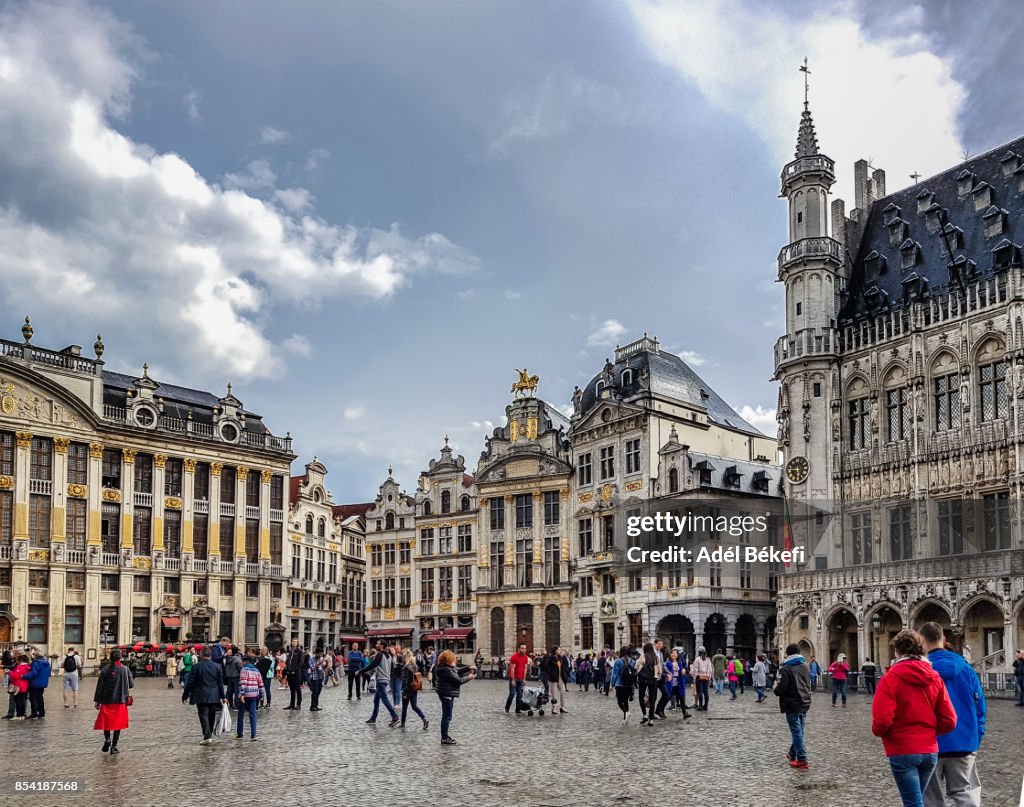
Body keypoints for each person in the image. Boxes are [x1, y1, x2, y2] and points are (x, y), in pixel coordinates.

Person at [872, 630, 957, 807]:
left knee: (913, 803)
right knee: (917, 801)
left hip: (902, 749)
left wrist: (883, 733)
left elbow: (882, 720)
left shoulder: (890, 678)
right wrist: (929, 732)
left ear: (897, 652)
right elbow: (949, 719)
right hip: (929, 751)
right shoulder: (935, 678)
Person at [920, 622, 986, 807]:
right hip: (964, 742)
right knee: (966, 792)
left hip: (930, 744)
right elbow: (980, 705)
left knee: (930, 798)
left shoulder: (920, 672)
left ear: (922, 642)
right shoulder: (966, 668)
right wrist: (976, 735)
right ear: (944, 639)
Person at [774, 643, 812, 769]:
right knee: (799, 730)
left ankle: (802, 759)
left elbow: (781, 689)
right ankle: (792, 753)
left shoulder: (786, 668)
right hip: (805, 701)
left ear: (787, 653)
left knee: (796, 731)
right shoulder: (805, 666)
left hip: (792, 702)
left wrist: (775, 688)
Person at [184, 647, 228, 746]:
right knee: (211, 715)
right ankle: (209, 734)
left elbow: (190, 682)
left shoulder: (196, 667)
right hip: (214, 694)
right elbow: (220, 683)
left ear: (201, 654)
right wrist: (223, 696)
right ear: (210, 655)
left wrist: (185, 695)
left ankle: (207, 735)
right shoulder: (217, 666)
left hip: (201, 694)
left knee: (203, 715)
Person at [93, 648, 133, 754]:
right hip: (120, 700)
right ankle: (114, 747)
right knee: (117, 725)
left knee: (106, 723)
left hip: (107, 700)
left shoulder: (105, 669)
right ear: (120, 657)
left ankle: (107, 739)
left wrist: (97, 700)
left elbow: (100, 686)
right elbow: (132, 684)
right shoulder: (125, 669)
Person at [434, 649, 475, 745]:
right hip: (447, 694)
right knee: (447, 717)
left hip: (445, 693)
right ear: (448, 660)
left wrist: (468, 668)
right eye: (453, 659)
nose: (454, 661)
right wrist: (469, 677)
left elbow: (457, 670)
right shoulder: (446, 670)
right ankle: (444, 737)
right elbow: (458, 680)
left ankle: (445, 736)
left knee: (446, 716)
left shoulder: (445, 668)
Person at [363, 641, 399, 726]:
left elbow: (373, 665)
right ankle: (373, 718)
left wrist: (361, 671)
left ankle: (395, 717)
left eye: (378, 644)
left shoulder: (380, 655)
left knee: (384, 700)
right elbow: (392, 667)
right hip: (386, 679)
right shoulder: (389, 656)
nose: (376, 645)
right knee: (376, 700)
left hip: (381, 680)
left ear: (382, 646)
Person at [236, 654, 265, 740]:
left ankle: (240, 733)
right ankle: (253, 734)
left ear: (247, 661)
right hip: (254, 695)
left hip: (245, 695)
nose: (242, 662)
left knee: (241, 714)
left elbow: (243, 682)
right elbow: (261, 684)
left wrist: (241, 694)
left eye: (243, 661)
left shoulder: (244, 670)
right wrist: (262, 695)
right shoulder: (256, 671)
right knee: (253, 714)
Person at [399, 649, 429, 730]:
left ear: (406, 657)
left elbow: (405, 680)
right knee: (414, 706)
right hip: (414, 688)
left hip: (407, 689)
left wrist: (403, 691)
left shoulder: (406, 667)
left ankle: (403, 724)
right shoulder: (415, 666)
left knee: (404, 707)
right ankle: (424, 718)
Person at [636, 643, 663, 726]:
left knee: (641, 696)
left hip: (643, 679)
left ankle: (644, 715)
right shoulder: (656, 658)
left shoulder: (643, 656)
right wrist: (656, 675)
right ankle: (651, 719)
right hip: (653, 679)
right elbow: (660, 671)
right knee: (652, 699)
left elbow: (636, 666)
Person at [610, 645, 637, 723]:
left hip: (620, 684)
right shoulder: (632, 661)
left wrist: (612, 684)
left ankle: (626, 712)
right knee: (626, 701)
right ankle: (625, 718)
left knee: (619, 702)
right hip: (629, 684)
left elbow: (615, 673)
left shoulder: (618, 661)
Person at [24, 651, 51, 719]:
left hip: (35, 683)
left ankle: (34, 714)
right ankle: (41, 713)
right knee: (40, 697)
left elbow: (33, 673)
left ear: (36, 656)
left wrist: (24, 676)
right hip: (42, 683)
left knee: (33, 698)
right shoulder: (47, 663)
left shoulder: (36, 663)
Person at [543, 647, 570, 714]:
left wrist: (564, 676)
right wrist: (551, 674)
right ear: (555, 650)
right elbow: (546, 667)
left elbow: (562, 667)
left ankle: (562, 707)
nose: (559, 650)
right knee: (554, 694)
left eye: (560, 649)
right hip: (553, 678)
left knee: (563, 691)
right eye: (558, 649)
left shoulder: (560, 657)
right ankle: (554, 708)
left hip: (560, 677)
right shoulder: (550, 658)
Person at [505, 642, 530, 714]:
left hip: (521, 678)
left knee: (519, 695)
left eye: (525, 648)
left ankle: (518, 709)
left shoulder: (525, 657)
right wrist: (513, 680)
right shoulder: (514, 657)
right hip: (514, 678)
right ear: (518, 649)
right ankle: (507, 707)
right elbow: (512, 669)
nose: (524, 650)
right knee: (512, 694)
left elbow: (525, 668)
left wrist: (524, 679)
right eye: (522, 648)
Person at [284, 639, 308, 710]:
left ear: (297, 643)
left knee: (297, 688)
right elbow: (288, 661)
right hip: (289, 673)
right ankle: (292, 704)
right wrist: (287, 668)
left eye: (295, 642)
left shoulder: (300, 652)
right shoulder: (290, 651)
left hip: (296, 673)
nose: (294, 643)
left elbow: (301, 662)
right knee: (292, 689)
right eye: (293, 641)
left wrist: (294, 669)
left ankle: (298, 704)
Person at [7, 653, 31, 719]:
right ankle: (22, 715)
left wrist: (9, 672)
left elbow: (15, 675)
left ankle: (19, 715)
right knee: (22, 701)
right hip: (24, 685)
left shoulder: (20, 667)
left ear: (20, 661)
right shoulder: (27, 666)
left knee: (18, 701)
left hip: (19, 686)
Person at [691, 646, 713, 711]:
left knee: (700, 692)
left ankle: (700, 706)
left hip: (699, 676)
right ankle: (706, 706)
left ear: (699, 652)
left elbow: (695, 669)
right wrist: (709, 676)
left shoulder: (697, 659)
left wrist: (694, 677)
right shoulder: (708, 659)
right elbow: (710, 669)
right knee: (706, 692)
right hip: (706, 677)